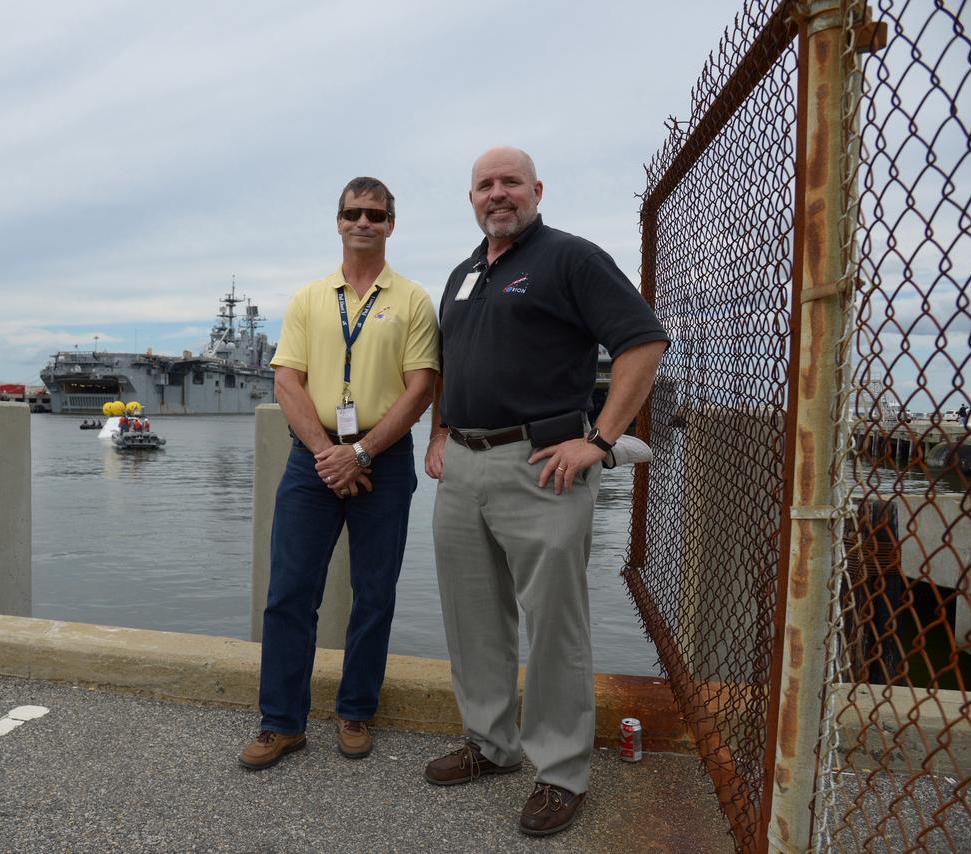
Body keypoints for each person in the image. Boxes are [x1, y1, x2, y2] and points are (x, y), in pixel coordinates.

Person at [423, 147, 668, 837]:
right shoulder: (464, 273)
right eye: (485, 184)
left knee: (553, 624)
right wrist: (438, 433)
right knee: (473, 617)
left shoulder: (569, 258)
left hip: (541, 465)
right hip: (463, 465)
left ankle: (561, 770)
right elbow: (448, 362)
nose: (497, 194)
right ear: (471, 197)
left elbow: (643, 342)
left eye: (510, 183)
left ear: (536, 190)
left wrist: (599, 437)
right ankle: (491, 744)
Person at [239, 177, 439, 770]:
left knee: (374, 595)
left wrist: (364, 453)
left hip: (385, 456)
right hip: (314, 459)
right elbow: (287, 380)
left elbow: (421, 387)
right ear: (337, 221)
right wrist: (330, 452)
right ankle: (281, 722)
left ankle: (355, 709)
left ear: (390, 225)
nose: (363, 223)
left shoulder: (412, 300)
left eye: (375, 214)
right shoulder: (308, 299)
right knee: (289, 593)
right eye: (353, 213)